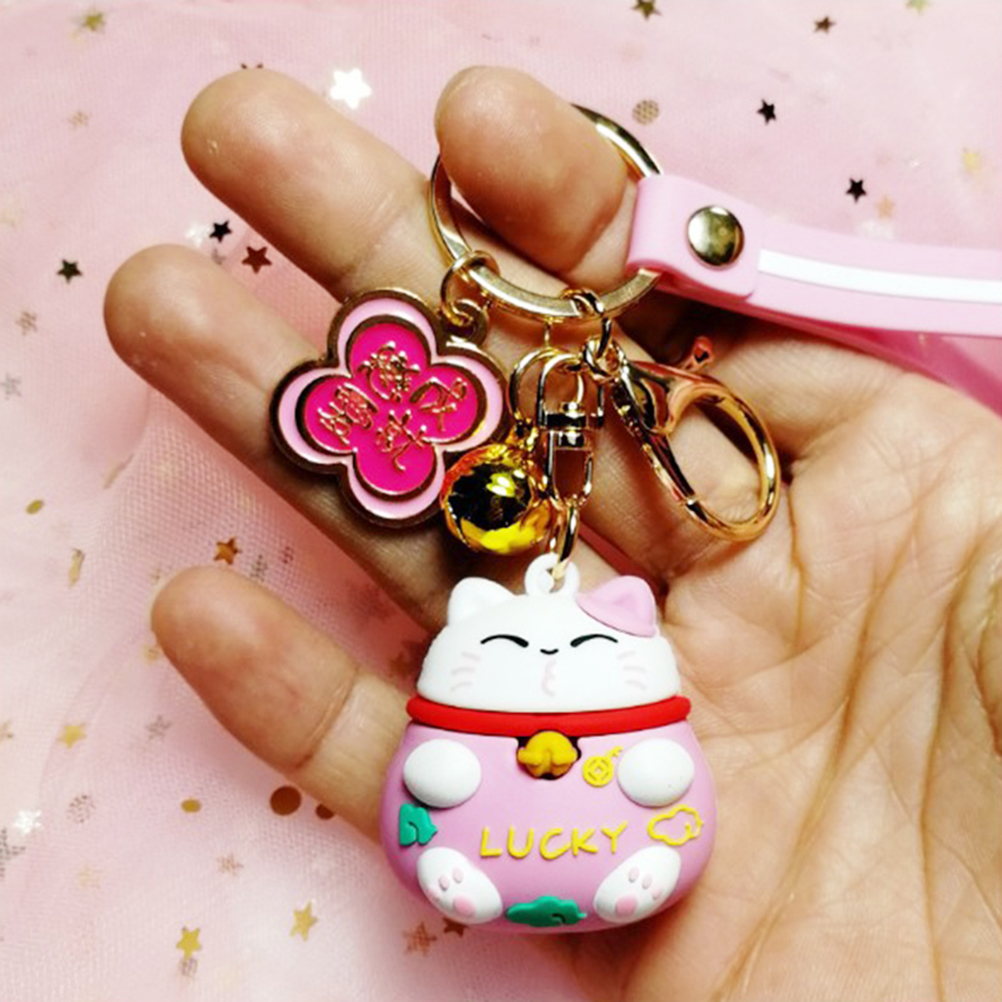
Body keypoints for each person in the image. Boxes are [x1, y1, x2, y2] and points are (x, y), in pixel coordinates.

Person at [104, 67, 1001, 1001]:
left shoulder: (637, 714)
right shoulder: (474, 712)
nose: (542, 674)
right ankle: (476, 869)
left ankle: (585, 871)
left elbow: (656, 774)